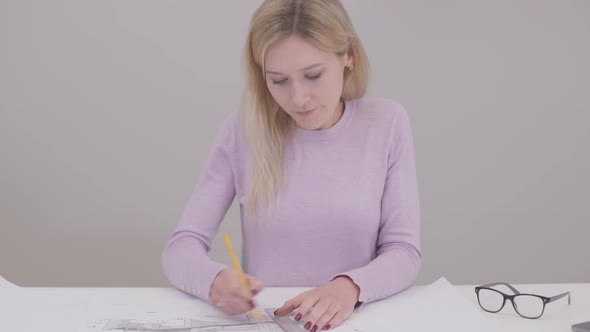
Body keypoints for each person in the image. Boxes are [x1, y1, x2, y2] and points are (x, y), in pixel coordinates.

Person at [162, 0, 422, 330]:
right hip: (271, 322)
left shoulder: (386, 123)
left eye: (313, 75)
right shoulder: (242, 131)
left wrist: (348, 288)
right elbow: (180, 248)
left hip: (355, 320)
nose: (298, 98)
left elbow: (404, 251)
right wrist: (213, 280)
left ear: (348, 56)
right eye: (279, 80)